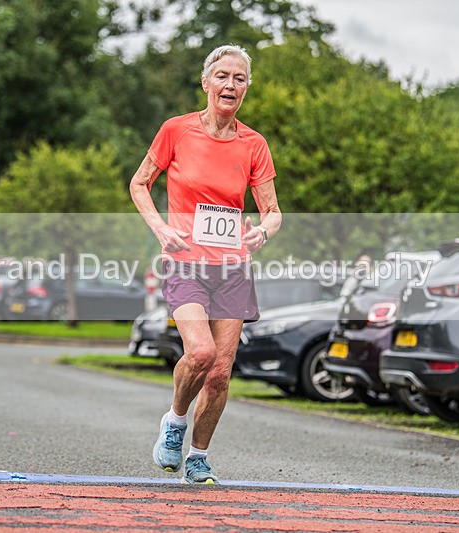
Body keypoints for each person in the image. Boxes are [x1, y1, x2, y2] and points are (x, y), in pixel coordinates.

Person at [129, 44, 281, 484]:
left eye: (239, 78)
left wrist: (262, 232)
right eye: (223, 76)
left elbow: (272, 212)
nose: (230, 84)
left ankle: (198, 456)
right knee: (200, 352)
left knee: (219, 373)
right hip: (184, 263)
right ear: (206, 82)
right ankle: (175, 422)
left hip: (232, 268)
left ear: (247, 87)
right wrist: (161, 230)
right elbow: (140, 184)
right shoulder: (176, 131)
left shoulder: (254, 144)